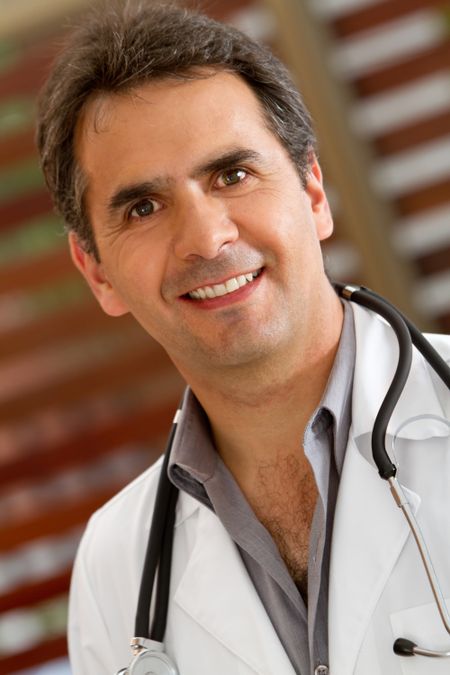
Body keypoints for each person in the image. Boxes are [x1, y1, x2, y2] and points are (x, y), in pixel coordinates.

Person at [36, 3, 450, 674]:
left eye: (232, 174)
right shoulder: (116, 567)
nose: (206, 239)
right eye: (143, 207)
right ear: (97, 273)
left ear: (313, 192)